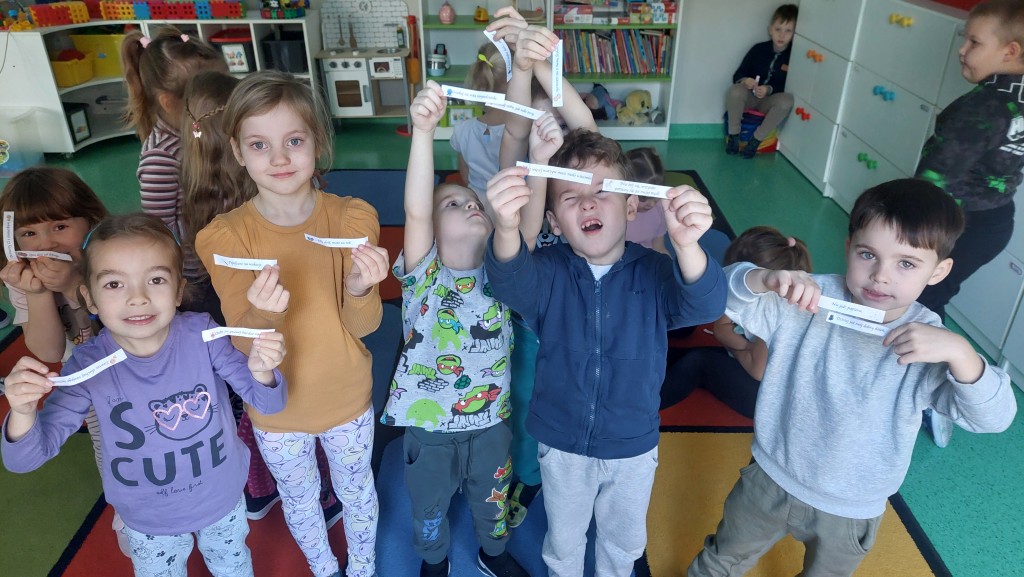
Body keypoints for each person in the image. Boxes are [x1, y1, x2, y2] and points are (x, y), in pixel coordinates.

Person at [686, 179, 1017, 577]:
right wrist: (762, 280)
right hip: (770, 477)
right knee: (720, 559)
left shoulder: (931, 344)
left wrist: (963, 354)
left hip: (852, 507)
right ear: (848, 247)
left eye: (906, 263)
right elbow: (716, 295)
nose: (880, 276)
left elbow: (994, 419)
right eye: (867, 254)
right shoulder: (807, 299)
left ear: (939, 271)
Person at [485, 128, 727, 577]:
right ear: (555, 222)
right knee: (564, 540)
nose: (587, 204)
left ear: (631, 206)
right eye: (571, 197)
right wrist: (505, 226)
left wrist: (687, 244)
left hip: (631, 446)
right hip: (561, 443)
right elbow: (508, 281)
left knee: (623, 542)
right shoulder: (549, 273)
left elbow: (707, 304)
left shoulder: (656, 273)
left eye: (602, 192)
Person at [1, 212, 288, 577]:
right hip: (147, 519)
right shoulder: (87, 364)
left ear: (179, 290)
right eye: (114, 284)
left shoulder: (204, 334)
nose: (137, 298)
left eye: (155, 279)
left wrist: (262, 371)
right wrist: (23, 411)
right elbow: (25, 459)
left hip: (222, 499)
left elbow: (270, 404)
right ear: (89, 298)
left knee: (233, 568)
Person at [195, 70, 389, 577]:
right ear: (238, 152)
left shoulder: (353, 218)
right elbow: (244, 344)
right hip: (276, 409)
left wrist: (360, 288)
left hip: (346, 396)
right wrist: (263, 312)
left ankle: (363, 568)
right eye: (260, 144)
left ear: (317, 142)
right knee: (299, 499)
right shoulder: (224, 238)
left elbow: (364, 327)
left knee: (357, 492)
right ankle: (324, 570)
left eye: (294, 141)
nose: (279, 158)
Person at [382, 80, 530, 577]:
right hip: (429, 428)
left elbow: (522, 222)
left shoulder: (503, 273)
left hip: (490, 421)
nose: (471, 205)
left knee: (493, 498)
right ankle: (434, 560)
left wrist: (538, 156)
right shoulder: (425, 276)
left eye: (474, 202)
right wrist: (425, 132)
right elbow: (415, 208)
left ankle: (493, 553)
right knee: (428, 507)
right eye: (453, 204)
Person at [914, 0, 1024, 449]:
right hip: (996, 221)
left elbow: (932, 183)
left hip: (958, 221)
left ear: (1010, 51)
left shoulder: (982, 107)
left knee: (921, 297)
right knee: (936, 292)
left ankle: (933, 396)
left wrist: (901, 228)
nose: (962, 49)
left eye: (974, 42)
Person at [122, 26, 227, 307]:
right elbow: (160, 230)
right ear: (169, 103)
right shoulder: (161, 157)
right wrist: (179, 281)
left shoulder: (205, 129)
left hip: (226, 256)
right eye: (212, 99)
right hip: (199, 277)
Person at [661, 226, 812, 418]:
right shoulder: (747, 295)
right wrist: (746, 348)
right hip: (753, 363)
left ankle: (638, 408)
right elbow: (721, 330)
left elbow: (757, 370)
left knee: (699, 362)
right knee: (677, 354)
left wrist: (737, 349)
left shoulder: (778, 313)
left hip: (771, 400)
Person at [725, 4, 798, 158]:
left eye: (788, 31)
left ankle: (755, 141)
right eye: (778, 29)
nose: (782, 35)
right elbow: (738, 74)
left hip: (769, 102)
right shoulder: (758, 49)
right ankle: (734, 136)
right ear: (770, 30)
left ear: (794, 34)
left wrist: (768, 89)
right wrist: (746, 81)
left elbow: (788, 84)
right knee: (735, 90)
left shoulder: (794, 56)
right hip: (750, 97)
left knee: (787, 100)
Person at [450, 43, 510, 202]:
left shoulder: (462, 129)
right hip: (509, 204)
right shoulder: (523, 132)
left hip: (476, 202)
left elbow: (465, 175)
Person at [624, 147, 669, 253]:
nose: (651, 204)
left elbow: (658, 246)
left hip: (646, 258)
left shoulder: (660, 208)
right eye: (643, 197)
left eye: (656, 196)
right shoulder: (615, 211)